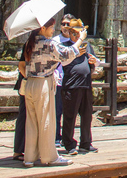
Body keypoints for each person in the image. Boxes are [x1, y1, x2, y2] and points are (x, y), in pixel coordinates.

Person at [22, 17, 86, 168]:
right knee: (46, 121)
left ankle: (29, 157)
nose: (53, 30)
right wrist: (80, 40)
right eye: (51, 27)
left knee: (31, 122)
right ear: (43, 28)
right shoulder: (48, 43)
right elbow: (65, 54)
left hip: (30, 83)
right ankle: (49, 156)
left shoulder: (29, 43)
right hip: (43, 84)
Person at [61, 18, 98, 155]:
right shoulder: (65, 46)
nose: (77, 36)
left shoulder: (87, 45)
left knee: (87, 115)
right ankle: (69, 143)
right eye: (74, 33)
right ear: (70, 33)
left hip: (86, 84)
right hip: (72, 85)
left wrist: (93, 62)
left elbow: (92, 64)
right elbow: (63, 63)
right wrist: (75, 51)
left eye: (79, 33)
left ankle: (86, 143)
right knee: (70, 116)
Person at [53, 14, 74, 147]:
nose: (65, 27)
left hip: (72, 80)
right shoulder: (55, 41)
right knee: (57, 109)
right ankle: (56, 137)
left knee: (70, 110)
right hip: (59, 79)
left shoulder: (77, 41)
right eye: (63, 24)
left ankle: (68, 138)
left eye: (68, 24)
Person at [12, 42, 27, 161]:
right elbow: (21, 64)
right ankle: (18, 150)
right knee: (24, 116)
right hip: (28, 83)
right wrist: (28, 78)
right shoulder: (30, 43)